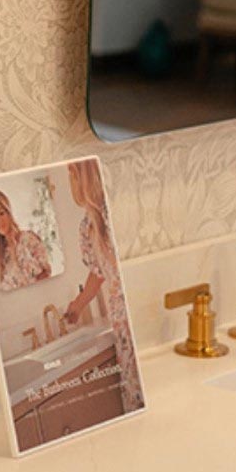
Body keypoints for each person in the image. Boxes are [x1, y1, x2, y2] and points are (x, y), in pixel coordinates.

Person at [61, 160, 145, 410]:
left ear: (79, 176)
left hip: (126, 311)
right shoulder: (89, 224)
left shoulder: (105, 217)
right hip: (126, 312)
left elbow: (99, 273)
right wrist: (77, 305)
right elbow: (97, 273)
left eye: (71, 175)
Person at [0, 189, 50, 289]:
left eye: (1, 213)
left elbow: (46, 273)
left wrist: (15, 249)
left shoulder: (29, 239)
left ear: (8, 212)